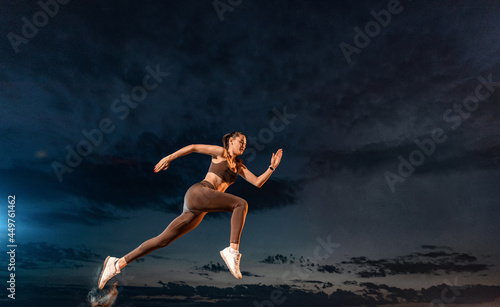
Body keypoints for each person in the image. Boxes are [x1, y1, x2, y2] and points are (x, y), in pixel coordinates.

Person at [98, 131, 283, 289]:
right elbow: (194, 147)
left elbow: (258, 182)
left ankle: (116, 263)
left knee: (162, 240)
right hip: (199, 193)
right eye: (240, 141)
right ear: (231, 141)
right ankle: (232, 251)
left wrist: (272, 167)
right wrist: (169, 157)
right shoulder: (220, 153)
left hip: (199, 209)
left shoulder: (239, 166)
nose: (243, 145)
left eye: (245, 143)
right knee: (241, 204)